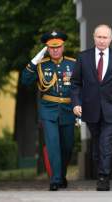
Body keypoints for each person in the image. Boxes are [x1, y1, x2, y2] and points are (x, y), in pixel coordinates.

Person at [70, 24, 112, 191]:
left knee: (105, 142)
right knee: (96, 145)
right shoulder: (83, 57)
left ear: (111, 38)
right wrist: (76, 103)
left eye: (105, 37)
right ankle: (100, 167)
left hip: (111, 108)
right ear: (94, 37)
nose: (102, 40)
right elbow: (75, 83)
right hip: (90, 108)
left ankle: (103, 177)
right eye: (99, 37)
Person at [21, 31, 75, 191]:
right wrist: (34, 61)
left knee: (67, 146)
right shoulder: (41, 65)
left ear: (63, 47)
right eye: (51, 48)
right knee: (53, 144)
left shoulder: (73, 64)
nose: (55, 50)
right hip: (48, 110)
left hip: (68, 109)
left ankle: (62, 174)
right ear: (47, 48)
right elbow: (25, 80)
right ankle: (55, 179)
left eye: (58, 47)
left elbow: (80, 87)